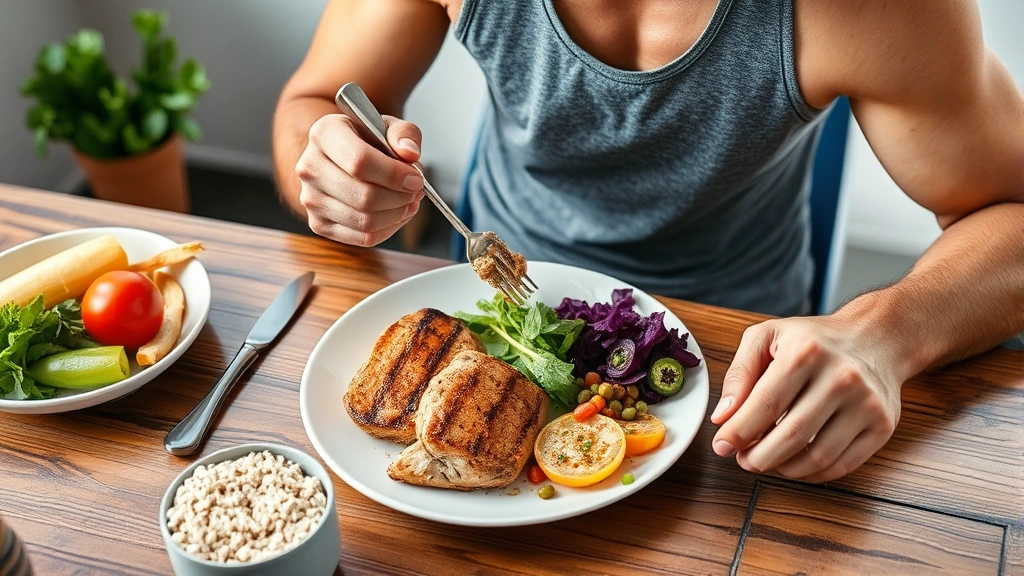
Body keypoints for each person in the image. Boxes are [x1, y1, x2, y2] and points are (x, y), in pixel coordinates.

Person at [272, 0, 1024, 482]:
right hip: (484, 329)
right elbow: (311, 102)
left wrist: (884, 335)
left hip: (744, 375)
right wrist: (332, 169)